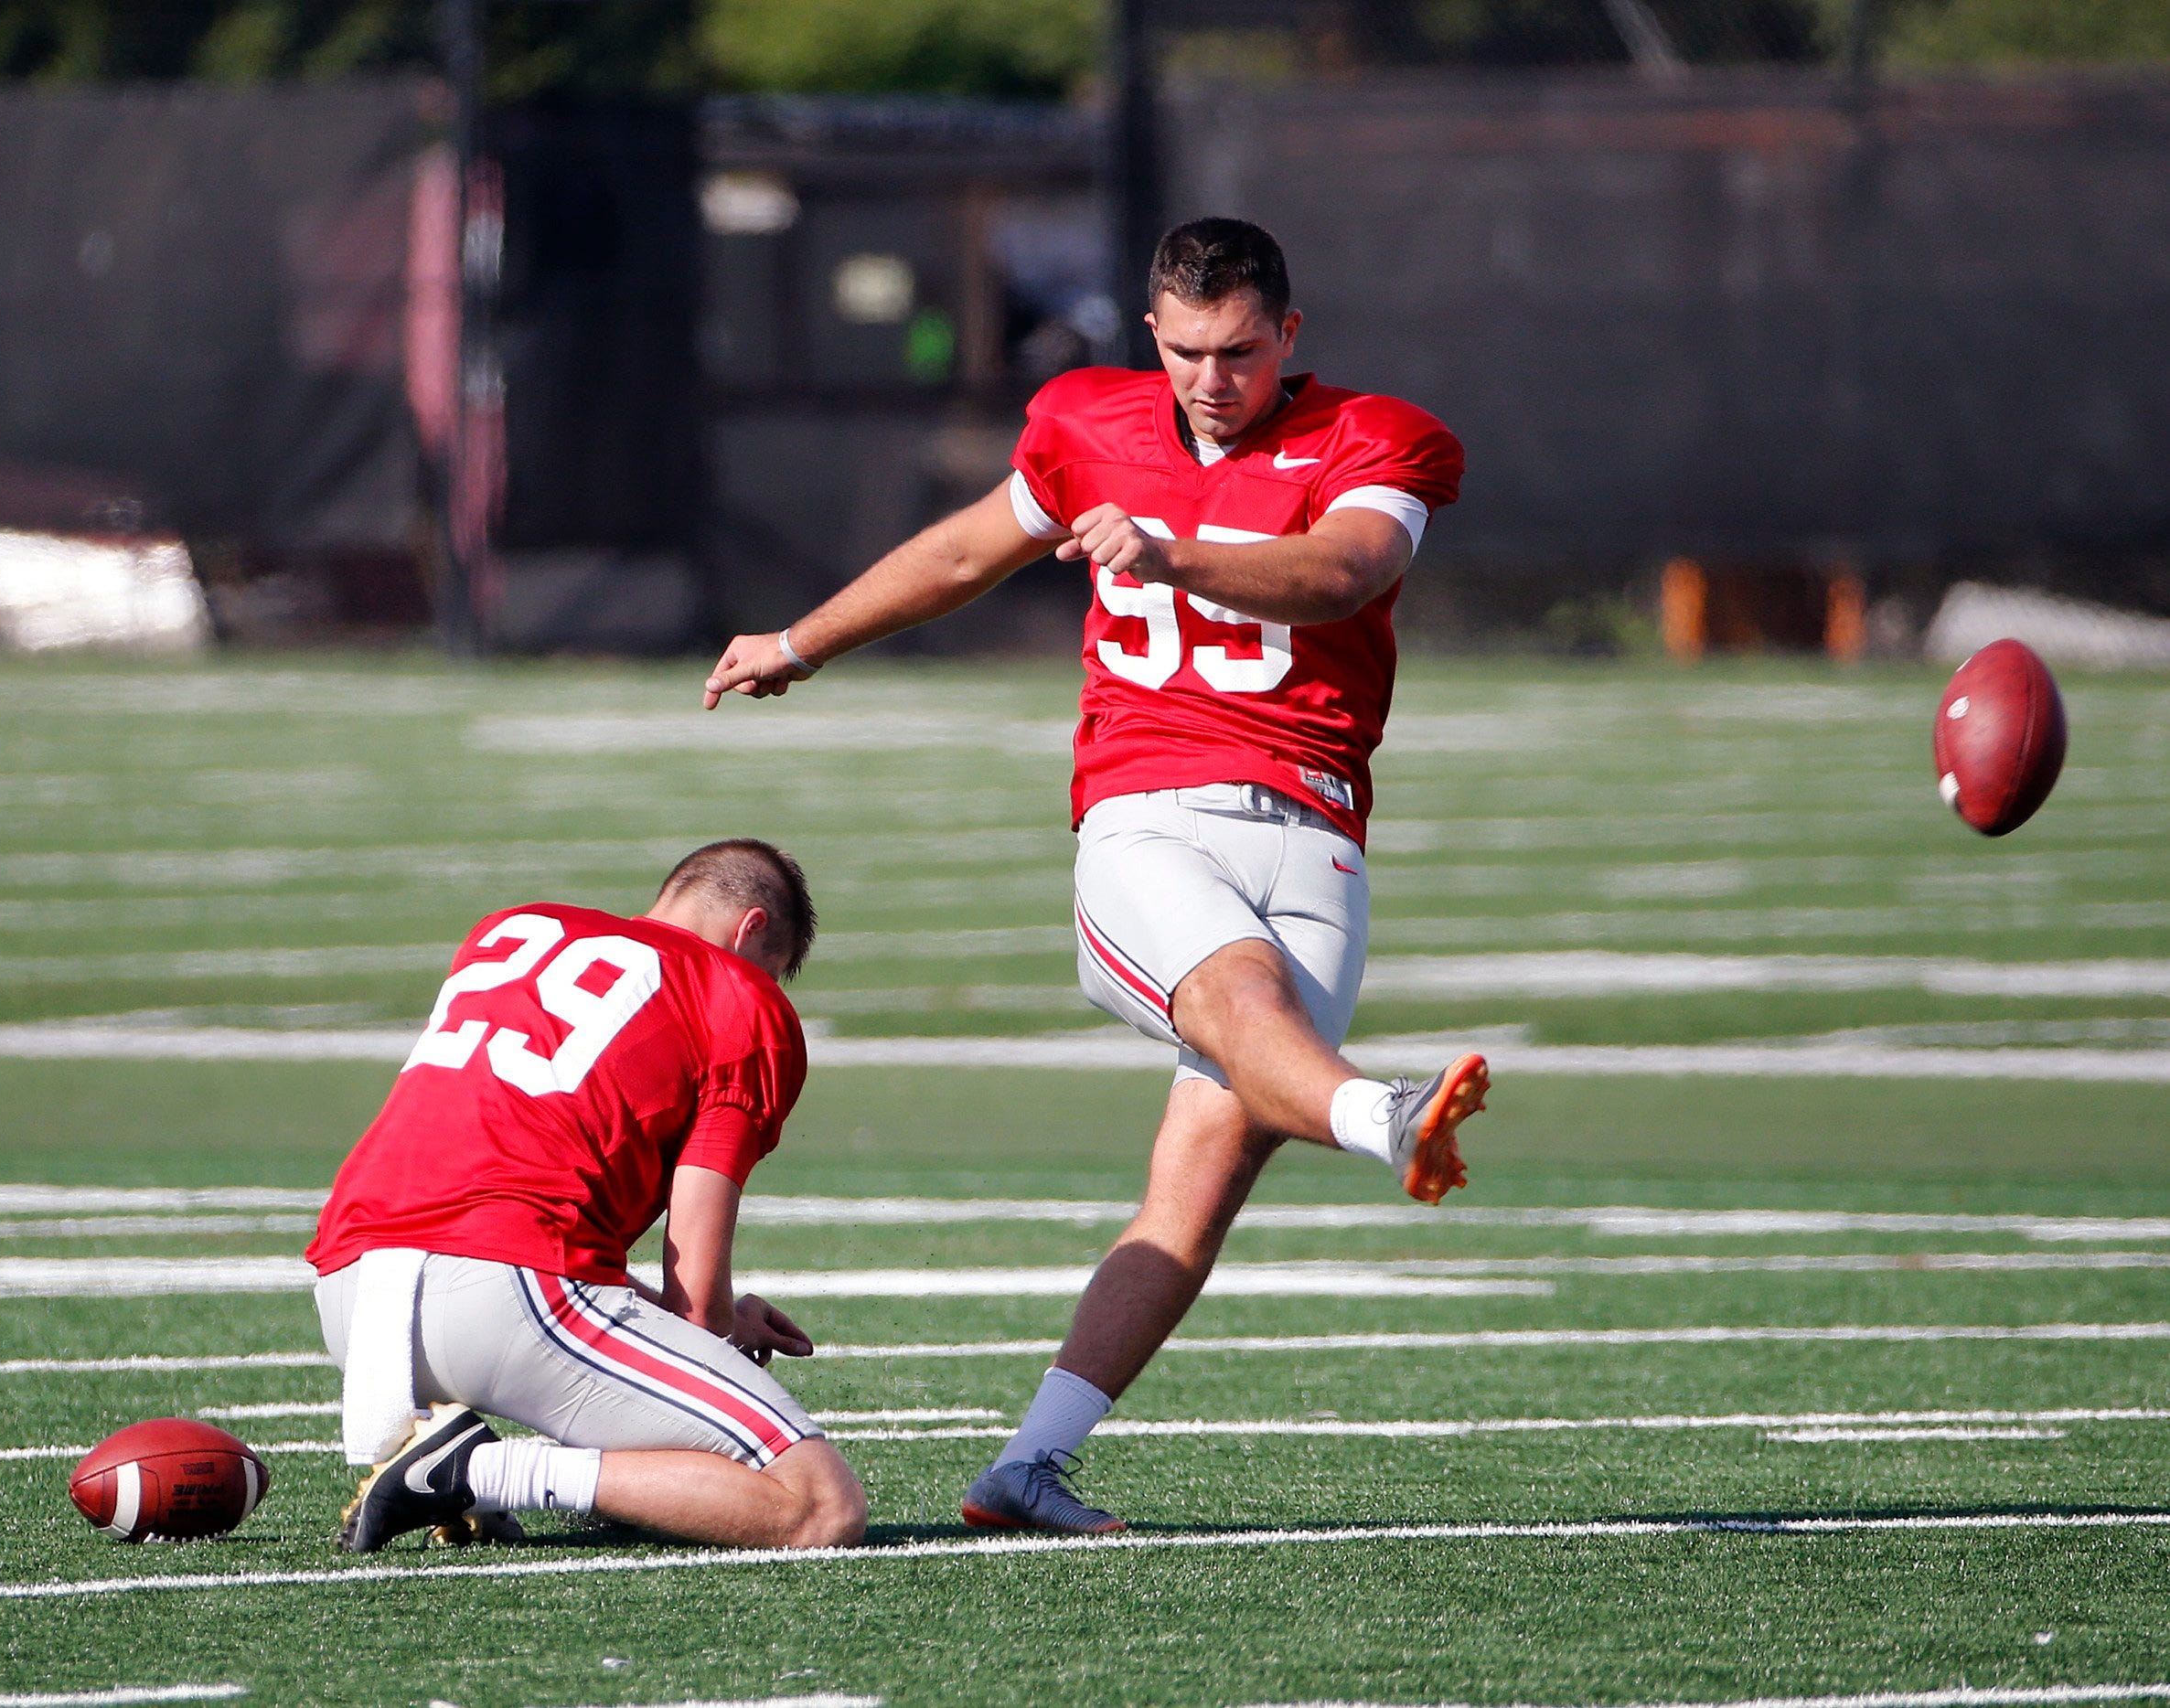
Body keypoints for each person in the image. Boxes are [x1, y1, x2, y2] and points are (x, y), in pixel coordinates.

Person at [702, 217, 1490, 1534]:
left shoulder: (1374, 435)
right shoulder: (1087, 422)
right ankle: (1383, 1118)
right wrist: (802, 638)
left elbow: (1348, 569)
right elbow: (964, 553)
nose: (1211, 379)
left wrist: (1174, 550)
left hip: (1317, 831)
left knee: (1202, 1182)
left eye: (1239, 351)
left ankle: (1027, 1468)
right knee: (1245, 1006)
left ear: (1288, 336)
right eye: (1185, 351)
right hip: (1149, 813)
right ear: (1151, 335)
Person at [306, 838, 867, 1553]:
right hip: (503, 1296)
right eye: (772, 973)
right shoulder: (739, 996)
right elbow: (694, 1275)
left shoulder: (512, 931)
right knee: (820, 1506)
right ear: (749, 930)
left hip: (350, 1297)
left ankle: (448, 1454)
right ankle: (475, 1470)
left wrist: (666, 1329)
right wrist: (713, 1343)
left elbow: (493, 1189)